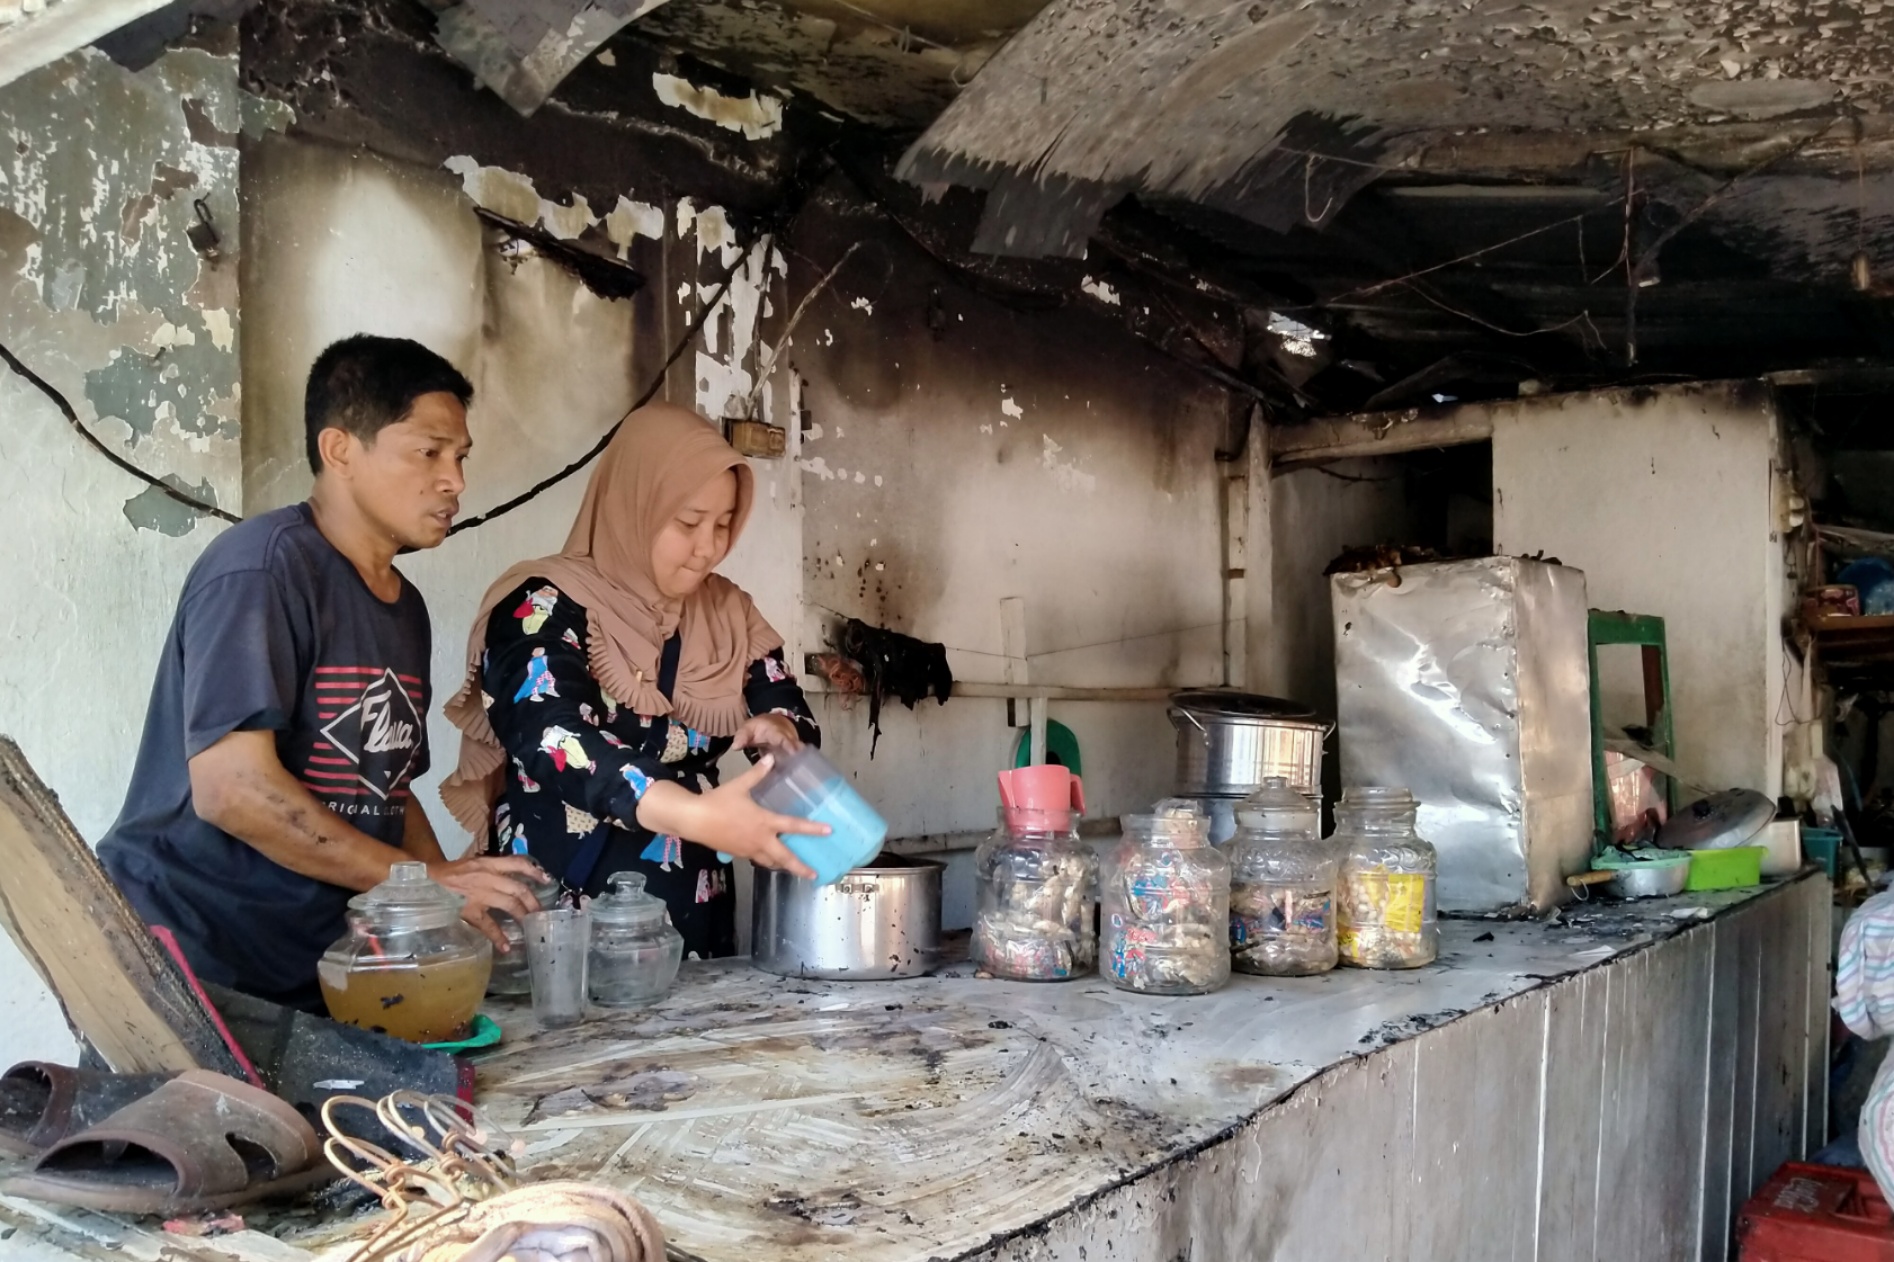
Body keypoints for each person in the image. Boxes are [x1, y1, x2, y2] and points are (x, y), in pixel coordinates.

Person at [98, 335, 546, 1012]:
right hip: (194, 962)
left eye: (459, 457)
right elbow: (233, 789)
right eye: (428, 452)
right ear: (340, 451)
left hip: (313, 964)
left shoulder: (406, 607)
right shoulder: (262, 569)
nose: (454, 480)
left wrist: (441, 896)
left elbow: (388, 788)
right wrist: (425, 881)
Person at [442, 403, 826, 958]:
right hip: (559, 914)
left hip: (693, 912)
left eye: (724, 524)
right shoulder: (544, 603)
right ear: (634, 506)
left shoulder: (729, 611)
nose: (708, 547)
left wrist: (783, 732)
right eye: (689, 523)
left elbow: (787, 703)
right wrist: (694, 813)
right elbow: (551, 733)